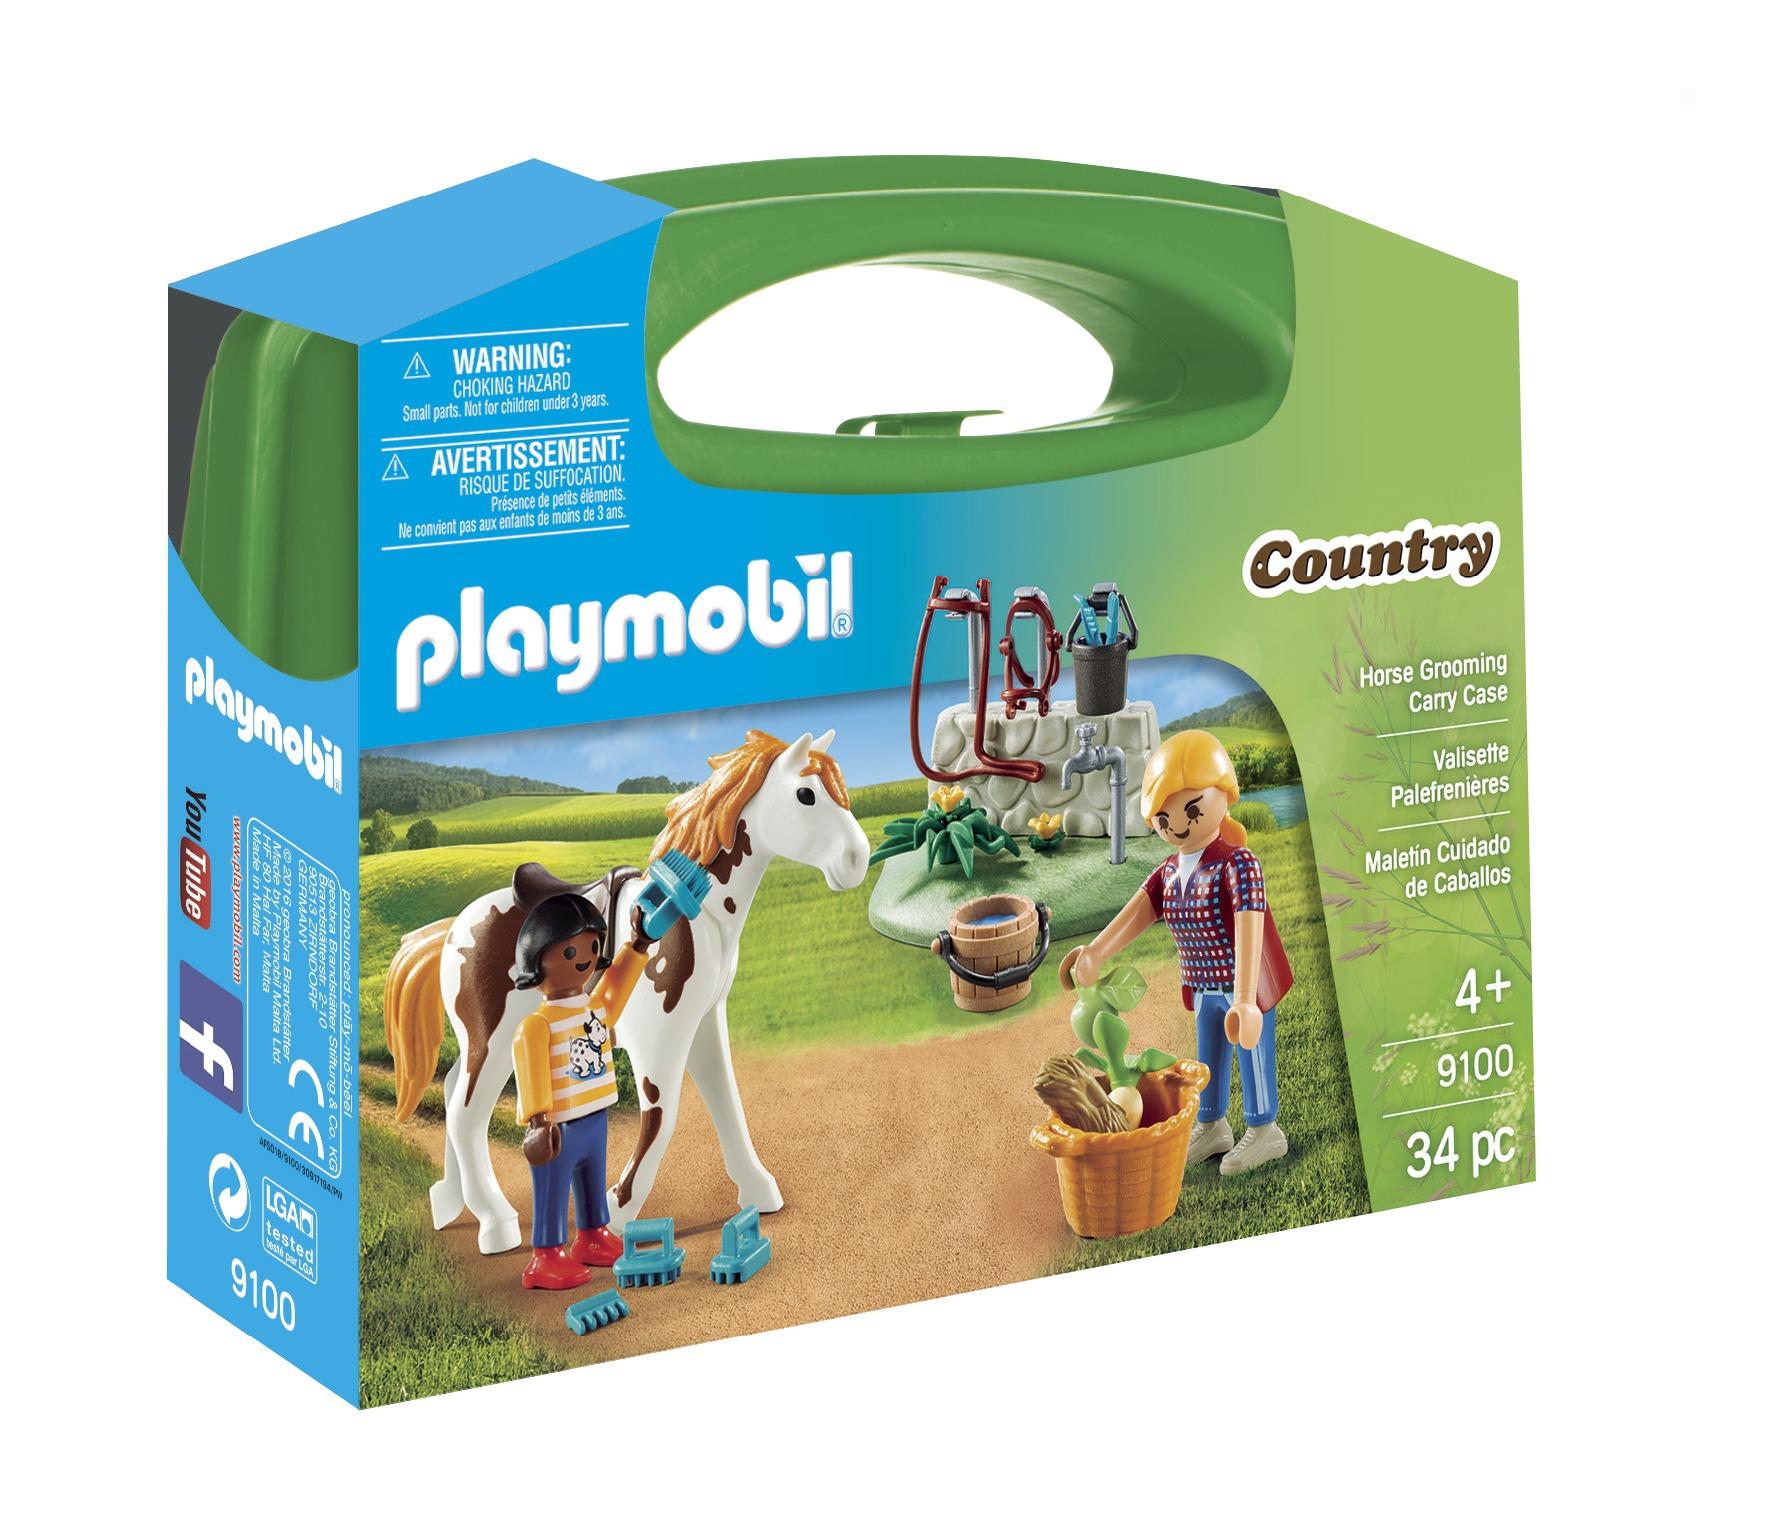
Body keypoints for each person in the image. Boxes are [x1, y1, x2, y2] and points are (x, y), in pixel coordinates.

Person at [1071, 729, 1294, 1175]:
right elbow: (1137, 912)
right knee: (1208, 1054)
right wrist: (1096, 951)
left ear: (1223, 793)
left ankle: (1264, 1129)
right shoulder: (1168, 872)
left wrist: (1246, 999)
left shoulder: (1238, 863)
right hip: (1203, 984)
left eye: (1192, 809)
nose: (1177, 824)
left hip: (1243, 984)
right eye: (1163, 816)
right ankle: (1212, 1124)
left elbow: (1249, 925)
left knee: (1251, 1050)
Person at [510, 891, 653, 1290]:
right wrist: (538, 1121)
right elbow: (531, 1072)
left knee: (592, 1180)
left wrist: (637, 946)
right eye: (571, 952)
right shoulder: (537, 1026)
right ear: (538, 960)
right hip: (559, 1127)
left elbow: (614, 990)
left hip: (594, 1116)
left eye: (592, 948)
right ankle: (545, 1256)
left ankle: (592, 1235)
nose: (586, 959)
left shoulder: (594, 1008)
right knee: (553, 1189)